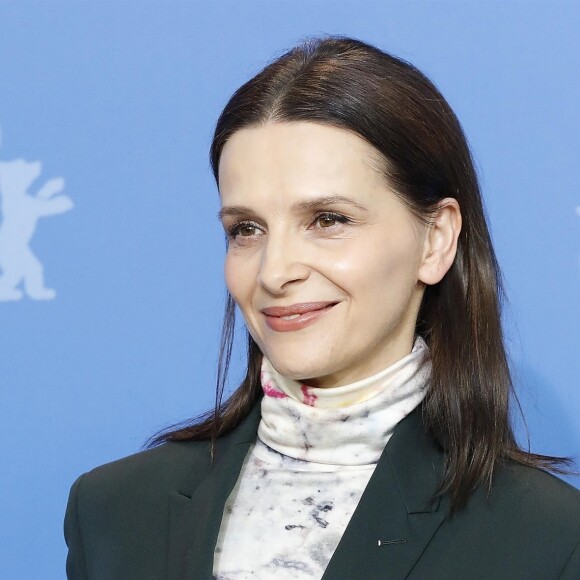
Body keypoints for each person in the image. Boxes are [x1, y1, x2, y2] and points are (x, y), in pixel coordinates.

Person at [64, 35, 580, 579]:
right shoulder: (114, 511)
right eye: (246, 229)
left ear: (435, 241)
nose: (274, 270)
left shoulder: (546, 539)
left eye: (328, 220)